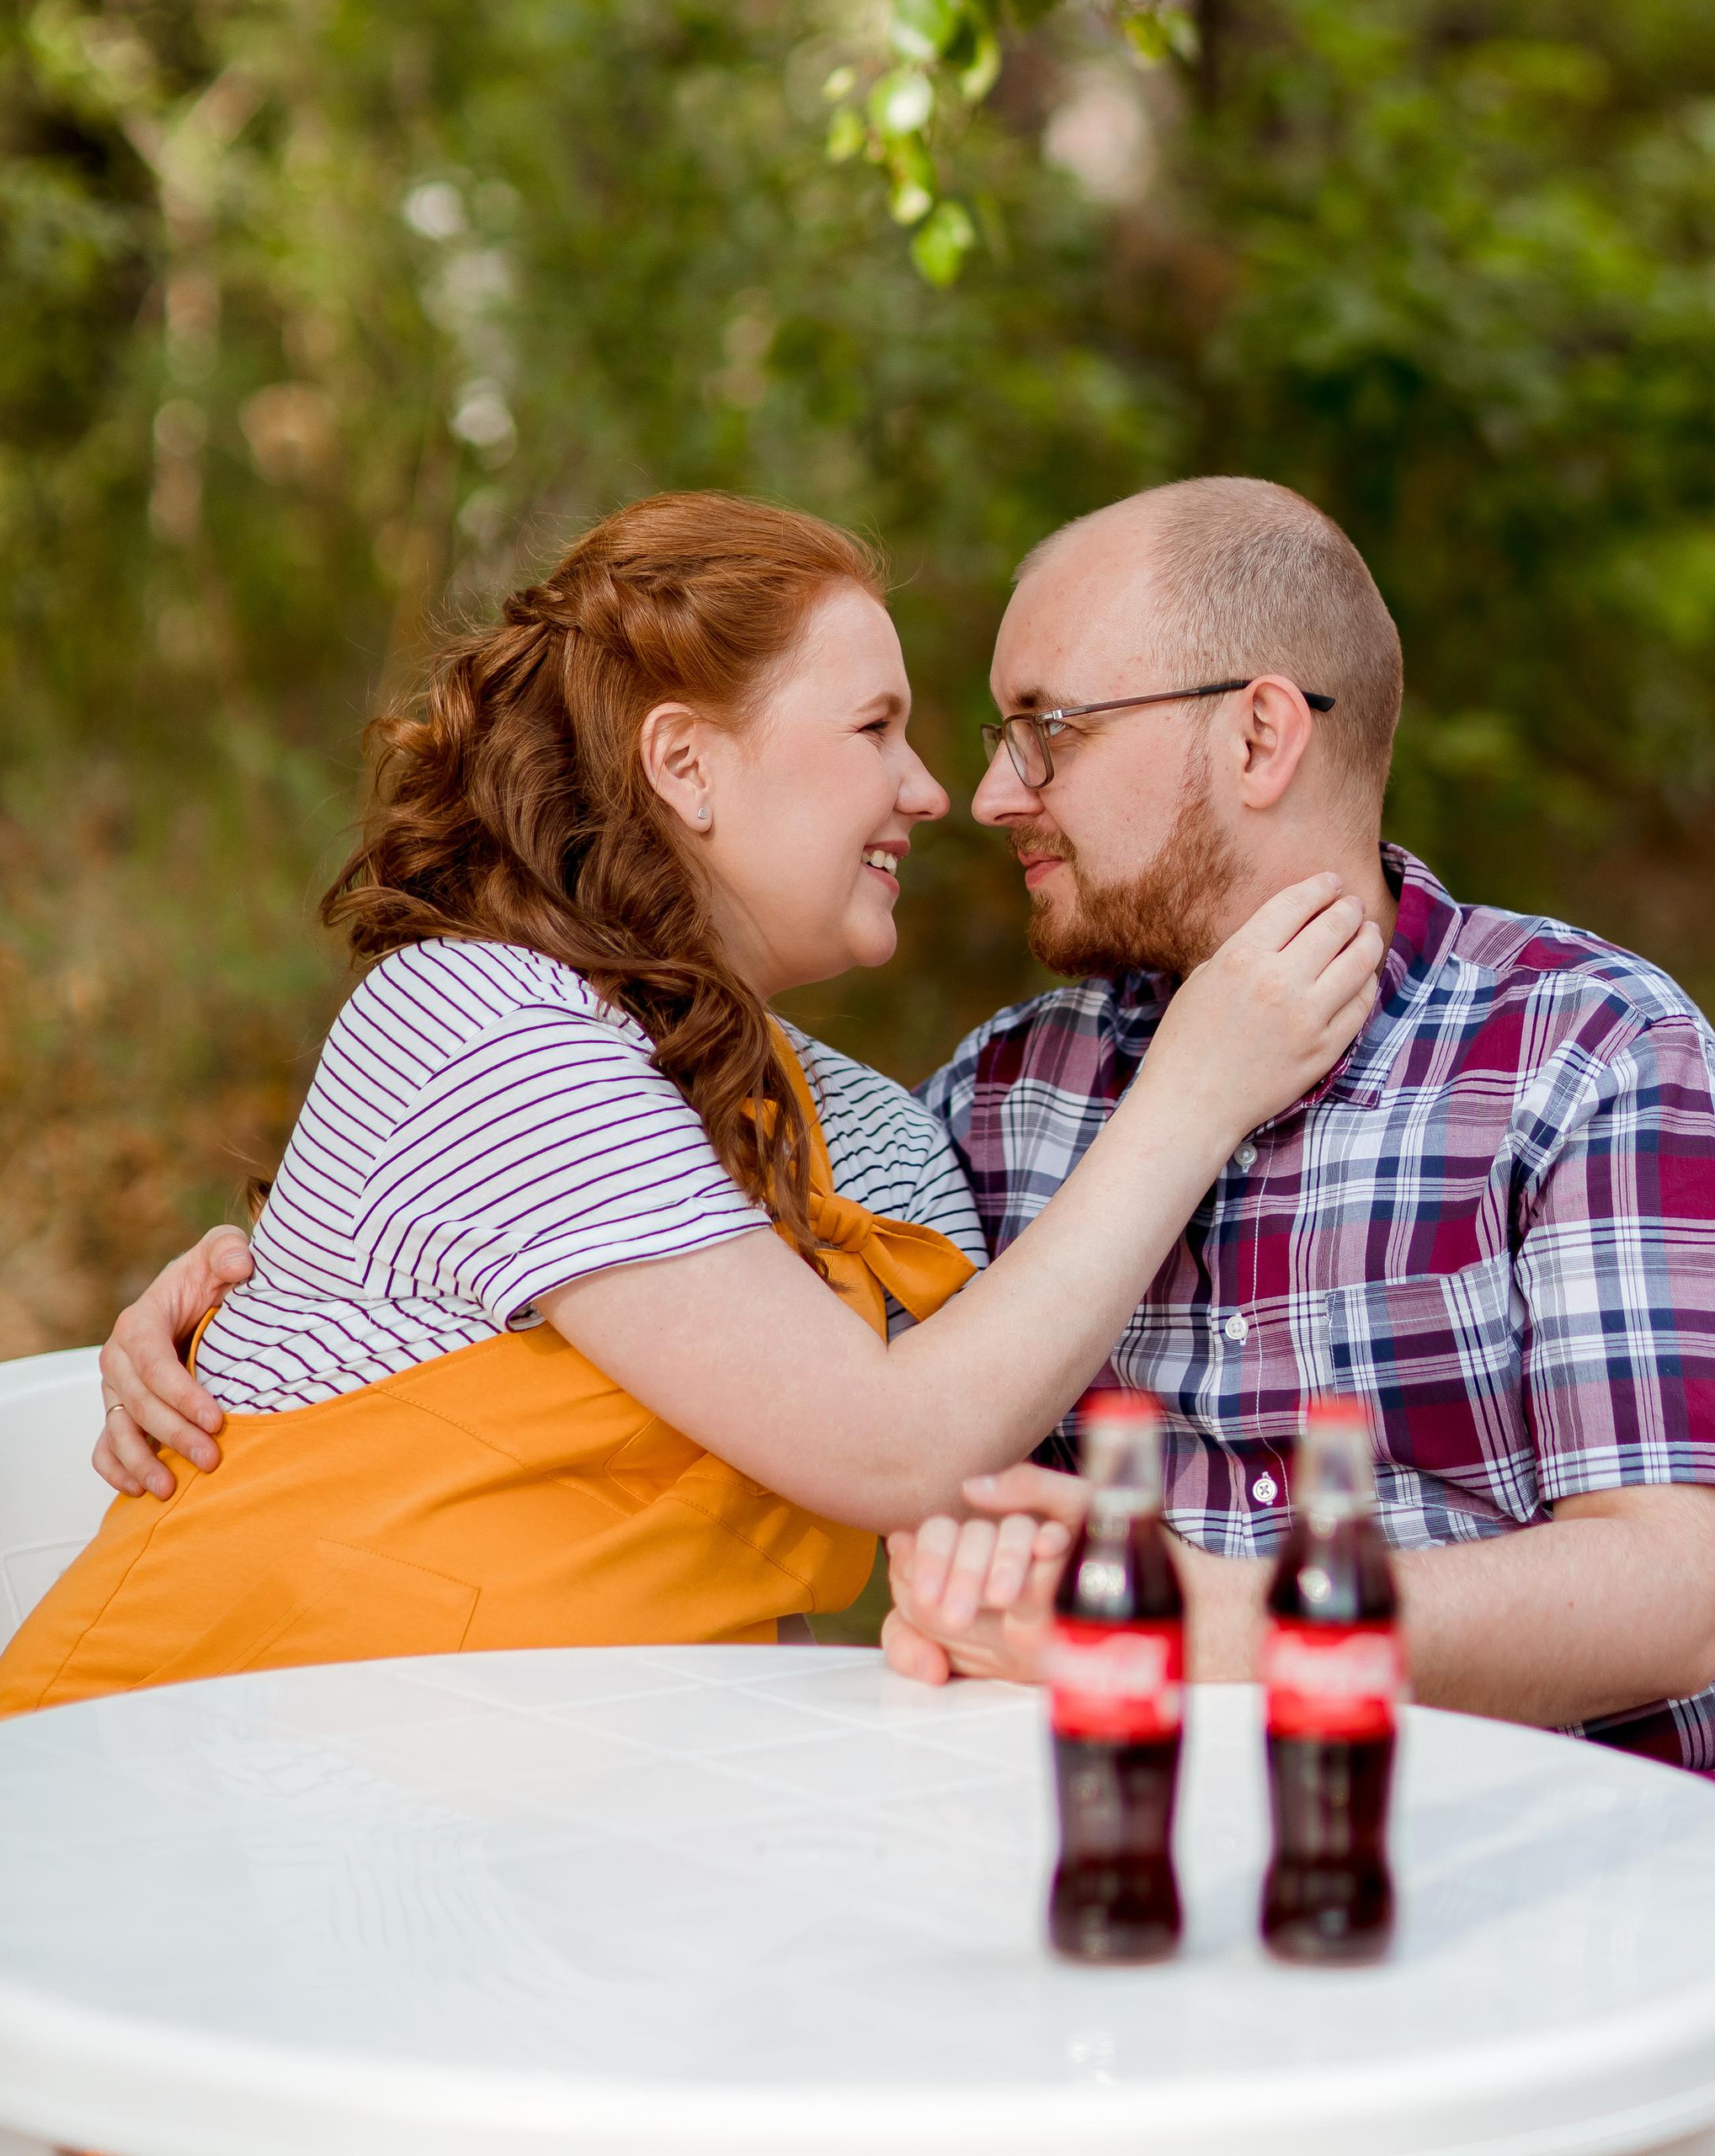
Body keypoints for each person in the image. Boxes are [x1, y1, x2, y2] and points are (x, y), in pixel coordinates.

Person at [95, 476, 1715, 2152]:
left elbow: (1670, 1598)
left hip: (1640, 1908)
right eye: (932, 732)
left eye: (1046, 727)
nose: (978, 794)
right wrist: (259, 1285)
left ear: (1257, 733)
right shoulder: (1001, 1104)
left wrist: (1206, 1627)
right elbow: (755, 1354)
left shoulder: (1589, 1054)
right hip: (1150, 1931)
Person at [2, 487, 1381, 1714]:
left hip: (550, 1821)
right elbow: (890, 1446)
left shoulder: (885, 1142)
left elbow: (908, 1507)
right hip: (202, 1779)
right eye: (875, 728)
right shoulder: (476, 1015)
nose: (932, 792)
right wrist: (1193, 1095)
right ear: (686, 766)